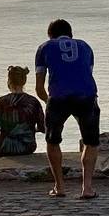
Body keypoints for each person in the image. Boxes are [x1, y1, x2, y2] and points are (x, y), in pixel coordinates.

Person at [35, 19, 100, 200]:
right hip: (86, 95)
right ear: (71, 34)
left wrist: (50, 103)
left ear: (50, 35)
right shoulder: (85, 47)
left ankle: (60, 186)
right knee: (91, 141)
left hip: (58, 96)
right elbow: (86, 74)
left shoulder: (45, 48)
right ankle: (87, 188)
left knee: (53, 140)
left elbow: (39, 88)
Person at [0, 66, 46, 155]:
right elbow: (43, 127)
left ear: (9, 82)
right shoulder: (33, 102)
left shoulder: (1, 102)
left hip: (4, 147)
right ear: (24, 81)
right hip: (27, 147)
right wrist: (30, 130)